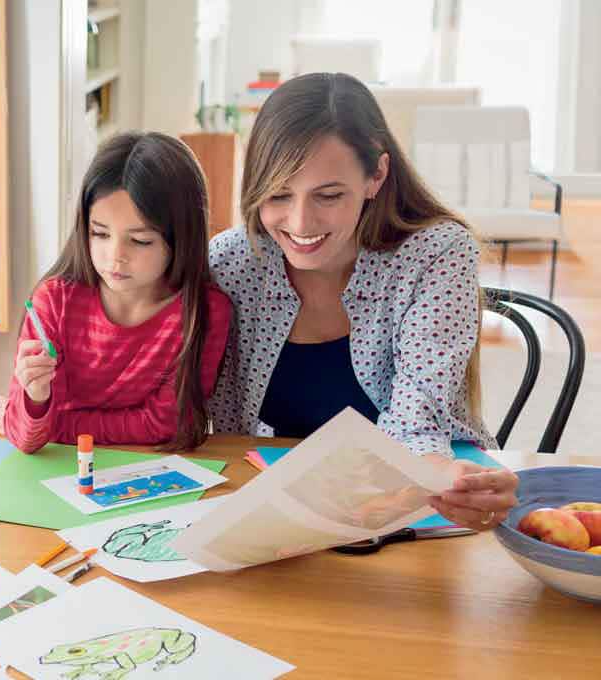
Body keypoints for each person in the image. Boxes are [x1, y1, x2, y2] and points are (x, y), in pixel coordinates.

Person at [209, 73, 517, 531]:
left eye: (328, 195)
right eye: (277, 195)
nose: (299, 222)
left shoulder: (437, 253)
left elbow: (419, 416)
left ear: (376, 175)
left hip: (412, 506)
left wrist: (440, 477)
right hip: (279, 516)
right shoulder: (233, 260)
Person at [0, 132, 232, 454]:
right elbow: (29, 438)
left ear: (182, 237)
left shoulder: (205, 311)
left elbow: (168, 426)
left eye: (141, 240)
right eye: (99, 234)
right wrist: (35, 399)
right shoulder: (55, 303)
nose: (115, 256)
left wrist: (56, 425)